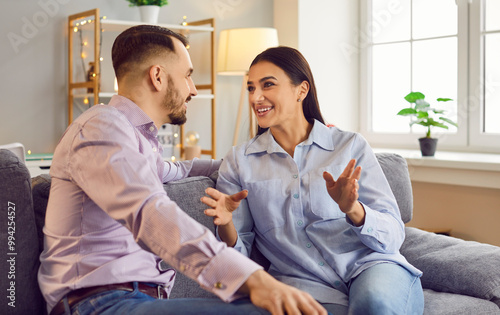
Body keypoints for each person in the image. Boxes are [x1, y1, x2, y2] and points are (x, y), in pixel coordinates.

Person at [38, 26, 328, 315]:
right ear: (158, 76)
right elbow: (149, 212)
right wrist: (254, 280)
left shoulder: (137, 142)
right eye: (188, 75)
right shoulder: (101, 127)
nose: (192, 88)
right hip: (96, 303)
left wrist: (259, 159)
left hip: (140, 301)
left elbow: (178, 170)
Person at [201, 46, 425, 315]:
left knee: (373, 305)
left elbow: (393, 235)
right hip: (304, 284)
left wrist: (353, 209)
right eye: (251, 88)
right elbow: (238, 260)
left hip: (372, 267)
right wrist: (226, 224)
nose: (256, 97)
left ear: (301, 90)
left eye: (267, 85)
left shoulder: (350, 146)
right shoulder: (239, 161)